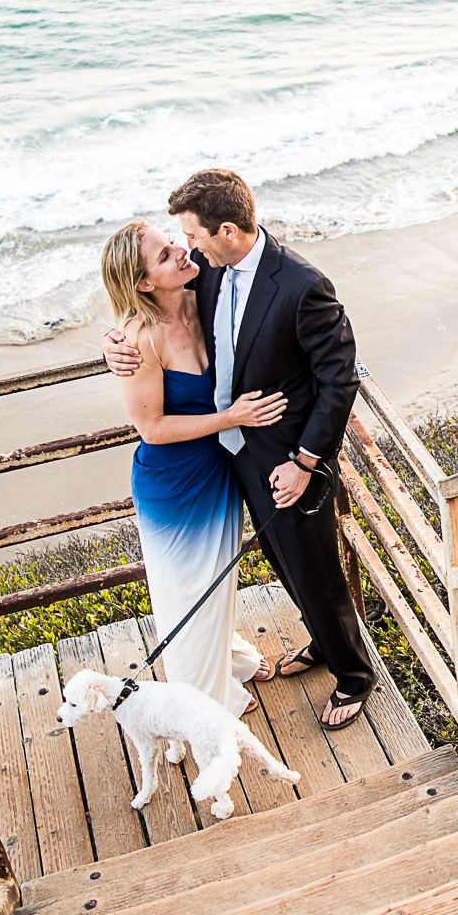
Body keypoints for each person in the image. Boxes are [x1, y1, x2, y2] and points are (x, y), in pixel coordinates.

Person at [104, 170, 377, 731]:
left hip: (289, 457)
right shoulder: (204, 272)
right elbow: (144, 308)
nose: (187, 249)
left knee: (318, 565)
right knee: (285, 564)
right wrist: (112, 347)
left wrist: (306, 462)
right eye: (178, 243)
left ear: (226, 230)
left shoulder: (302, 284)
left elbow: (338, 378)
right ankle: (324, 643)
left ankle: (354, 674)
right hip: (232, 459)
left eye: (192, 237)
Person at [99, 220, 285, 717]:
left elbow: (251, 261)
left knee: (216, 580)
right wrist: (232, 417)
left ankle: (232, 656)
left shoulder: (199, 280)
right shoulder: (139, 339)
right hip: (174, 482)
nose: (181, 251)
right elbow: (152, 428)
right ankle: (204, 701)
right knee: (185, 593)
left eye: (173, 242)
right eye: (163, 256)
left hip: (218, 468)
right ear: (142, 283)